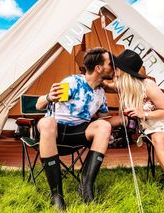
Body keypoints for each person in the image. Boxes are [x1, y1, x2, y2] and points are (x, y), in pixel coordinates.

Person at [108, 49, 164, 200]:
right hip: (153, 125)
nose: (114, 70)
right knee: (159, 140)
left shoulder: (147, 85)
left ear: (125, 71)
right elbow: (106, 85)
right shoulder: (123, 86)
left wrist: (143, 114)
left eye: (117, 67)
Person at [35, 47, 114, 210]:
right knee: (48, 122)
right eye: (110, 63)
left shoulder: (100, 93)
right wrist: (48, 97)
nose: (114, 67)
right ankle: (56, 195)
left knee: (104, 126)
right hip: (55, 131)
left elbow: (105, 119)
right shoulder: (73, 82)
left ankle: (86, 188)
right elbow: (39, 105)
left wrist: (129, 117)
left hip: (79, 132)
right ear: (99, 68)